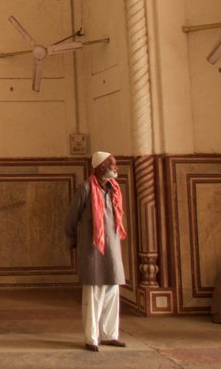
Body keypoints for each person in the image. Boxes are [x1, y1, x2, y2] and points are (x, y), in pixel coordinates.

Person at [65, 150, 128, 352]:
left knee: (112, 290)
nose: (116, 167)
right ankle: (92, 338)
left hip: (112, 249)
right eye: (113, 164)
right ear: (101, 166)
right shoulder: (85, 189)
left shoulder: (114, 189)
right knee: (93, 294)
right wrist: (73, 240)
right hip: (92, 249)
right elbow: (71, 218)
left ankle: (110, 335)